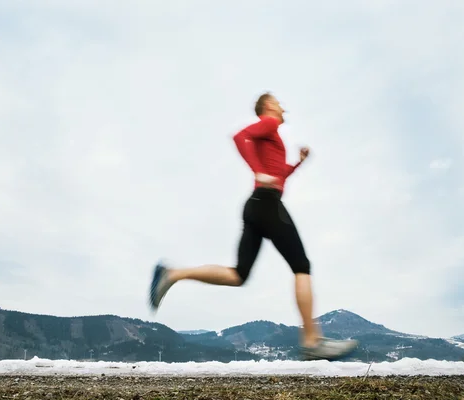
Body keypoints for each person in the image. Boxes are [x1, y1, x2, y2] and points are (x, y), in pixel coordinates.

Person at [148, 92, 358, 361]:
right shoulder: (269, 123)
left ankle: (173, 274)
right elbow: (240, 137)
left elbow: (278, 176)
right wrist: (257, 170)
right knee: (301, 266)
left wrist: (298, 163)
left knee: (239, 275)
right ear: (269, 106)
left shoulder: (273, 136)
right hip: (266, 204)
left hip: (258, 205)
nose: (283, 107)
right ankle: (312, 341)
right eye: (279, 102)